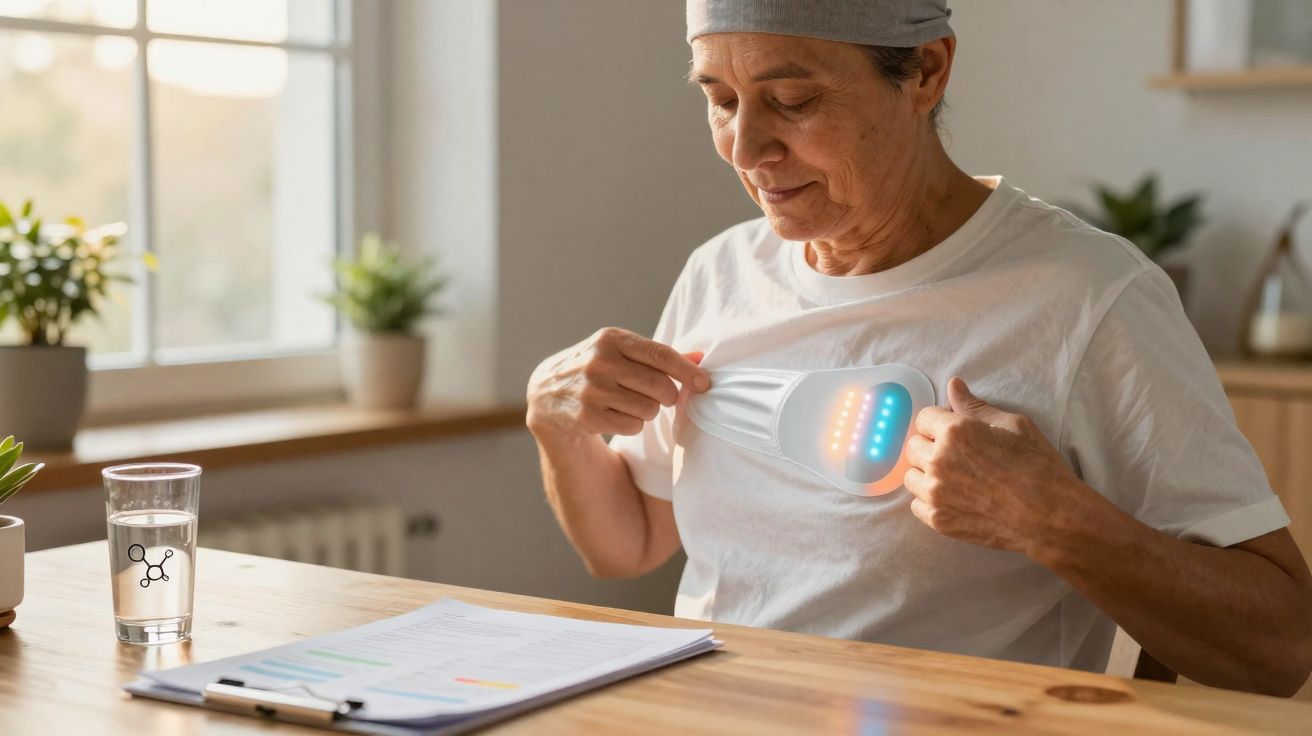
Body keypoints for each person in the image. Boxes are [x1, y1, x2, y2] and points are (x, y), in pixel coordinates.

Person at [525, 0, 1312, 696]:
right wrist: (555, 423)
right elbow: (629, 543)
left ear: (926, 72)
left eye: (793, 100)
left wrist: (1051, 520)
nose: (745, 146)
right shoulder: (720, 272)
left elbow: (1282, 647)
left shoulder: (1089, 296)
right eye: (720, 100)